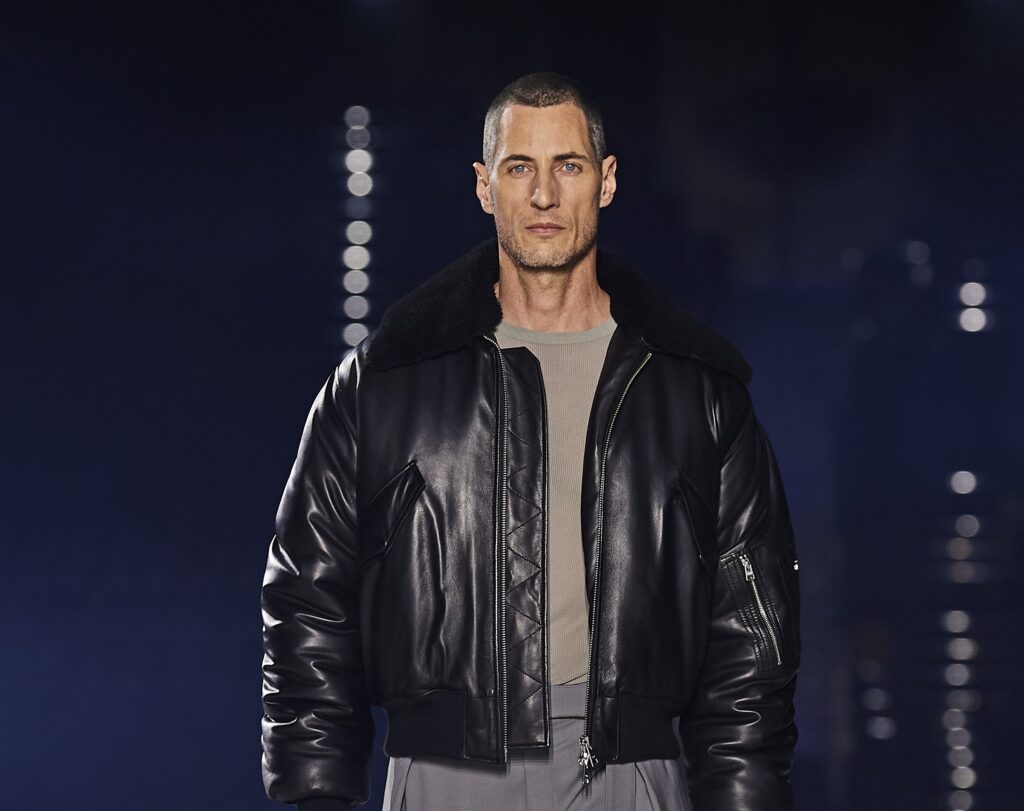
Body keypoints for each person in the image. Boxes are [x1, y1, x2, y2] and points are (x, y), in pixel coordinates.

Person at [261, 72, 800, 811]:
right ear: (485, 187)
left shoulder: (695, 392)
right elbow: (309, 597)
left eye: (567, 165)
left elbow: (750, 637)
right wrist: (317, 793)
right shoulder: (384, 383)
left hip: (630, 771)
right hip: (445, 771)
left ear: (606, 181)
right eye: (520, 167)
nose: (544, 194)